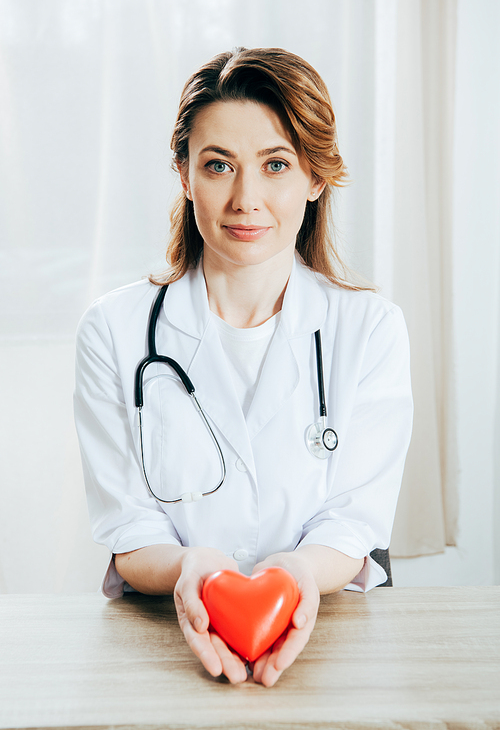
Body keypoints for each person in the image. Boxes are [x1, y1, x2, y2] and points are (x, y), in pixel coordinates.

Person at [74, 47, 413, 687]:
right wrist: (190, 567)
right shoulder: (113, 332)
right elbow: (129, 523)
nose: (245, 198)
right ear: (184, 174)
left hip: (329, 649)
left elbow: (353, 520)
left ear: (315, 178)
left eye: (275, 165)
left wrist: (295, 573)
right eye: (218, 165)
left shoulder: (370, 330)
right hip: (165, 650)